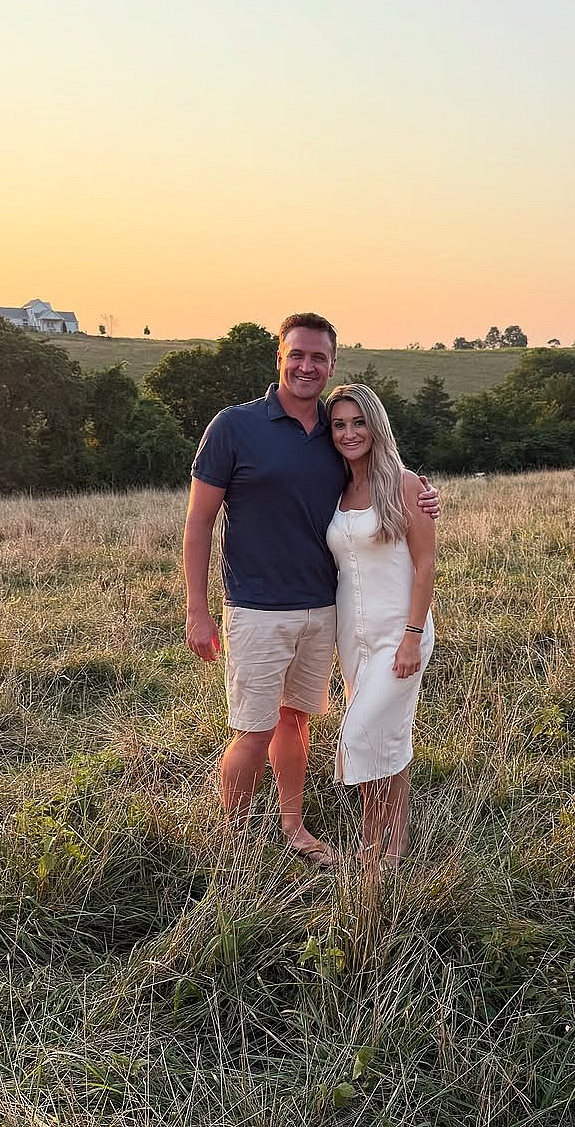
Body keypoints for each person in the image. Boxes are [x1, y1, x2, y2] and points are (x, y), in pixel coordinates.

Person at [183, 313, 438, 867]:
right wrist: (197, 611)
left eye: (318, 357)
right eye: (297, 354)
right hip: (255, 607)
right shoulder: (233, 426)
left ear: (331, 364)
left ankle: (293, 827)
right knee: (255, 728)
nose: (306, 366)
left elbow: (381, 470)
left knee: (297, 720)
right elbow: (199, 521)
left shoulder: (332, 430)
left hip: (326, 610)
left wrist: (425, 496)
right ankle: (232, 843)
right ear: (279, 356)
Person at [324, 383, 436, 867]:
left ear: (376, 424)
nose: (350, 433)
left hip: (401, 632)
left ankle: (386, 842)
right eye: (339, 424)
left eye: (358, 422)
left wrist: (412, 636)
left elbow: (427, 564)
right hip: (354, 636)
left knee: (362, 734)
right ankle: (384, 843)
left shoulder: (405, 483)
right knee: (388, 738)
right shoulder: (334, 487)